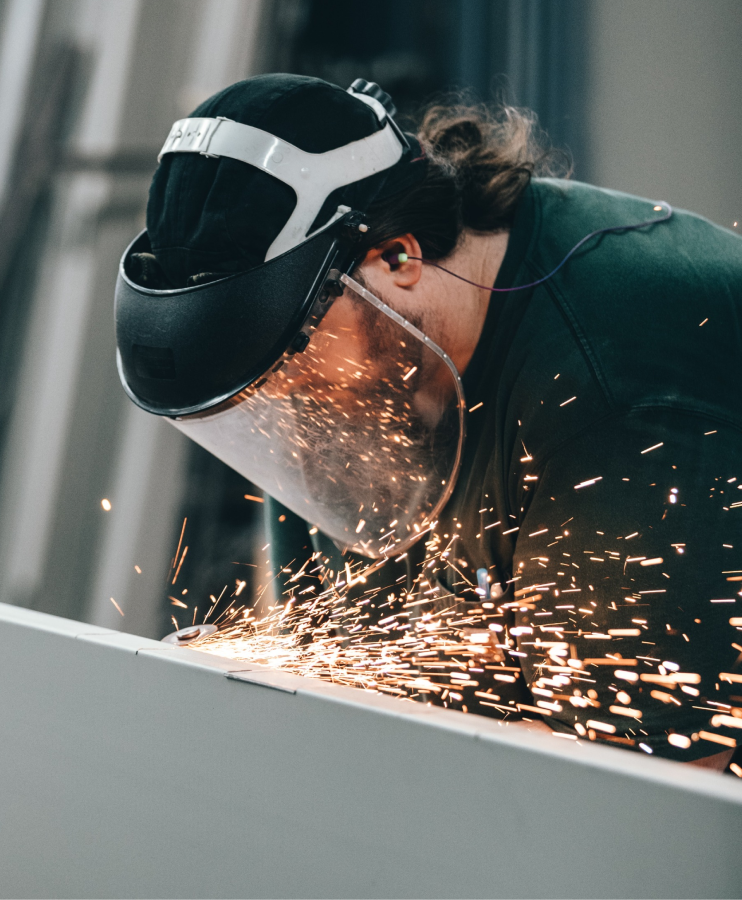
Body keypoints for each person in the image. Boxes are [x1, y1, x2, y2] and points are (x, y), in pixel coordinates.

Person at [115, 74, 741, 768]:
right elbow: (342, 669)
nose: (287, 405)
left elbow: (642, 794)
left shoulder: (614, 391)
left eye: (288, 366)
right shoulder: (323, 388)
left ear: (397, 258)